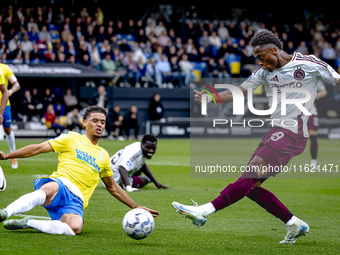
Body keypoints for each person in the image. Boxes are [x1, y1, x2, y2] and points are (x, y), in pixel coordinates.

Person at [172, 30, 340, 244]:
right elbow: (240, 91)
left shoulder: (308, 64)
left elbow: (336, 79)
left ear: (273, 50)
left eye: (261, 56)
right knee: (251, 187)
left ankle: (204, 211)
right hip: (276, 131)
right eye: (256, 58)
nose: (259, 62)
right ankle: (293, 224)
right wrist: (210, 97)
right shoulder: (263, 72)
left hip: (293, 132)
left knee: (250, 173)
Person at [0, 105, 159, 235]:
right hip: (61, 183)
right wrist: (7, 155)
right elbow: (37, 148)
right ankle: (6, 212)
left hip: (77, 199)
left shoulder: (103, 155)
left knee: (75, 229)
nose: (99, 125)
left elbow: (112, 187)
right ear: (84, 122)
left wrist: (136, 207)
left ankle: (29, 222)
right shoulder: (71, 138)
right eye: (95, 121)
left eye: (102, 122)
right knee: (47, 190)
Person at [0, 63, 19, 169]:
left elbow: (16, 84)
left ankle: (13, 154)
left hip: (4, 105)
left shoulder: (5, 68)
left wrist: (10, 91)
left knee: (7, 130)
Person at [308, 80, 327, 168]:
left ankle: (313, 162)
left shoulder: (314, 78)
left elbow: (324, 91)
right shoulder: (291, 75)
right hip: (295, 111)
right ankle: (285, 159)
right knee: (291, 136)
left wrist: (318, 95)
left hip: (311, 110)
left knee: (313, 135)